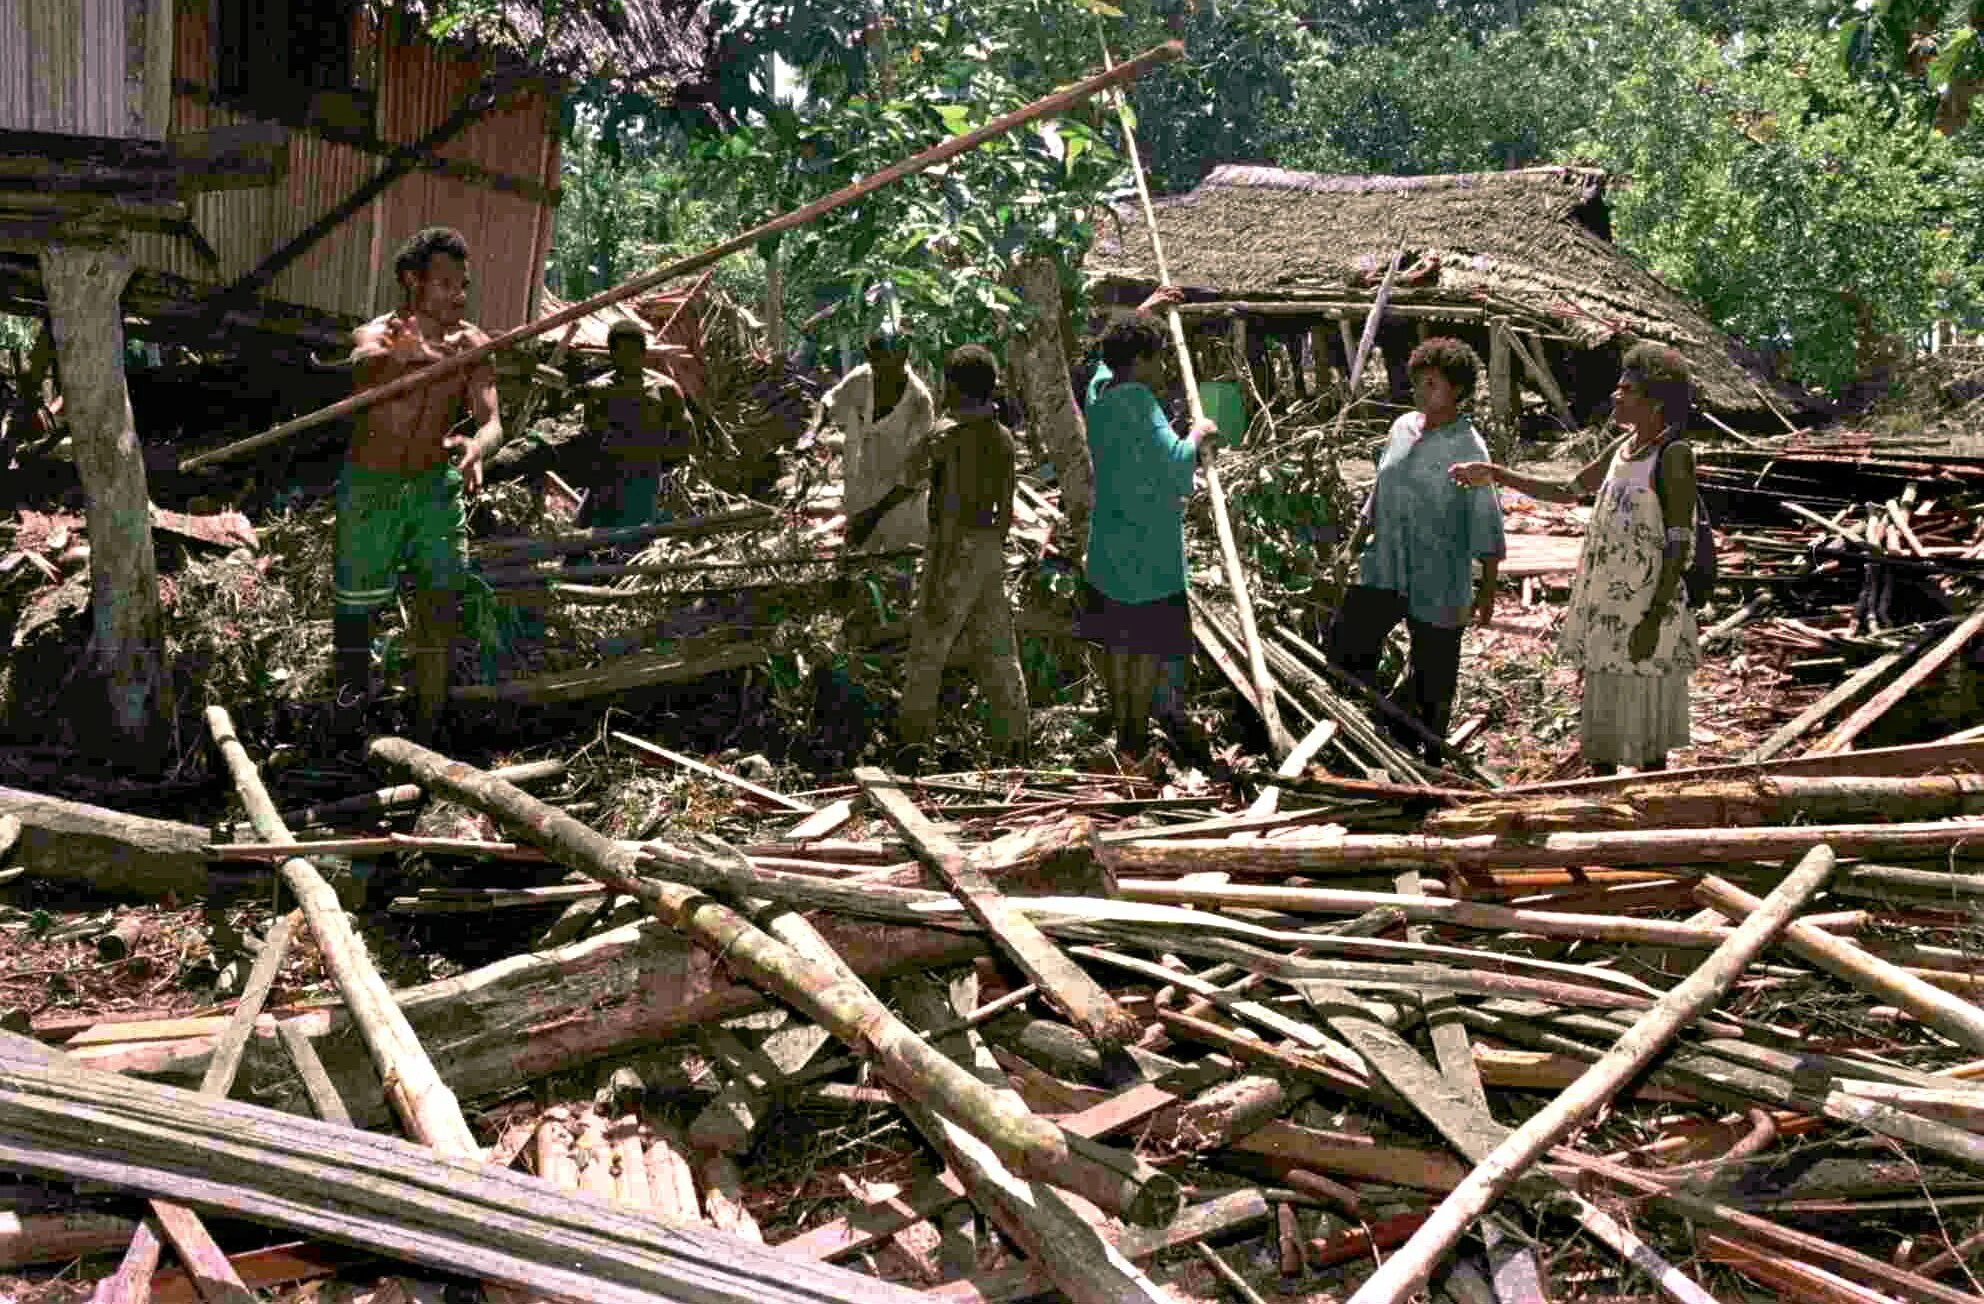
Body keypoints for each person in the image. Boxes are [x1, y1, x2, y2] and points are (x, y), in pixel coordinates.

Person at [1451, 342, 1700, 774]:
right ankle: (1600, 800)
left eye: (1627, 390)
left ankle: (1650, 817)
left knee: (1646, 725)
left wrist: (1654, 616)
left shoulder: (1673, 456)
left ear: (1656, 402)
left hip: (1646, 608)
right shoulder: (1624, 449)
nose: (1615, 396)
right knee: (1606, 714)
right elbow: (1567, 489)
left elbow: (1680, 540)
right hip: (1609, 605)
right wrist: (1495, 474)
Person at [335, 226, 503, 742]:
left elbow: (493, 420)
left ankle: (427, 730)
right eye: (446, 283)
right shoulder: (379, 335)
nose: (458, 294)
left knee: (441, 603)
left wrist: (478, 447)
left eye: (463, 284)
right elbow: (362, 366)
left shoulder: (471, 344)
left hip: (434, 487)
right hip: (371, 489)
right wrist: (398, 358)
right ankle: (350, 723)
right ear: (412, 281)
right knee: (356, 615)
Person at [847, 345, 1027, 763]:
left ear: (953, 388)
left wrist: (867, 519)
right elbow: (1006, 505)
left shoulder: (943, 437)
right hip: (987, 550)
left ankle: (912, 748)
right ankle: (1015, 743)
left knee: (927, 650)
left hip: (952, 548)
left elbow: (909, 480)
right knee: (998, 647)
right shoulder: (1002, 437)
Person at [1329, 337, 1504, 766]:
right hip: (1385, 562)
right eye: (1418, 383)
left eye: (1433, 385)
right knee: (1347, 643)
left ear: (1458, 391)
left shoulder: (1469, 447)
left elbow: (1485, 517)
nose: (1421, 393)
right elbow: (1379, 491)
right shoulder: (1401, 428)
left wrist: (1487, 588)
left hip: (1439, 573)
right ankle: (1368, 727)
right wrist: (1353, 546)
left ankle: (1427, 758)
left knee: (1435, 672)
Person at [1078, 311, 1220, 760]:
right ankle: (1133, 742)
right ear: (1139, 361)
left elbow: (1105, 361)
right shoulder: (1140, 401)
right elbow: (1175, 469)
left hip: (1109, 547)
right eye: (1157, 360)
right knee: (1144, 648)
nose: (1161, 370)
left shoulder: (1099, 393)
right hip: (1147, 554)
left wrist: (1146, 307)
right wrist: (1197, 434)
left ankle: (1123, 730)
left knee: (1119, 644)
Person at [818, 329, 937, 554]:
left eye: (888, 365)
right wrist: (810, 432)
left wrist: (871, 516)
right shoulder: (863, 378)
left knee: (899, 572)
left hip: (901, 504)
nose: (881, 372)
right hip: (862, 491)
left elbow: (916, 472)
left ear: (903, 357)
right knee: (856, 570)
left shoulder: (919, 402)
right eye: (875, 363)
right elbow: (829, 401)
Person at [577, 318, 696, 529]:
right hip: (606, 475)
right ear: (612, 354)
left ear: (643, 353)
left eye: (633, 353)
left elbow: (686, 437)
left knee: (634, 540)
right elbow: (589, 432)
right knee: (590, 540)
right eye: (621, 353)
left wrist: (659, 461)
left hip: (644, 476)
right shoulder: (598, 389)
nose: (627, 360)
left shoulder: (664, 390)